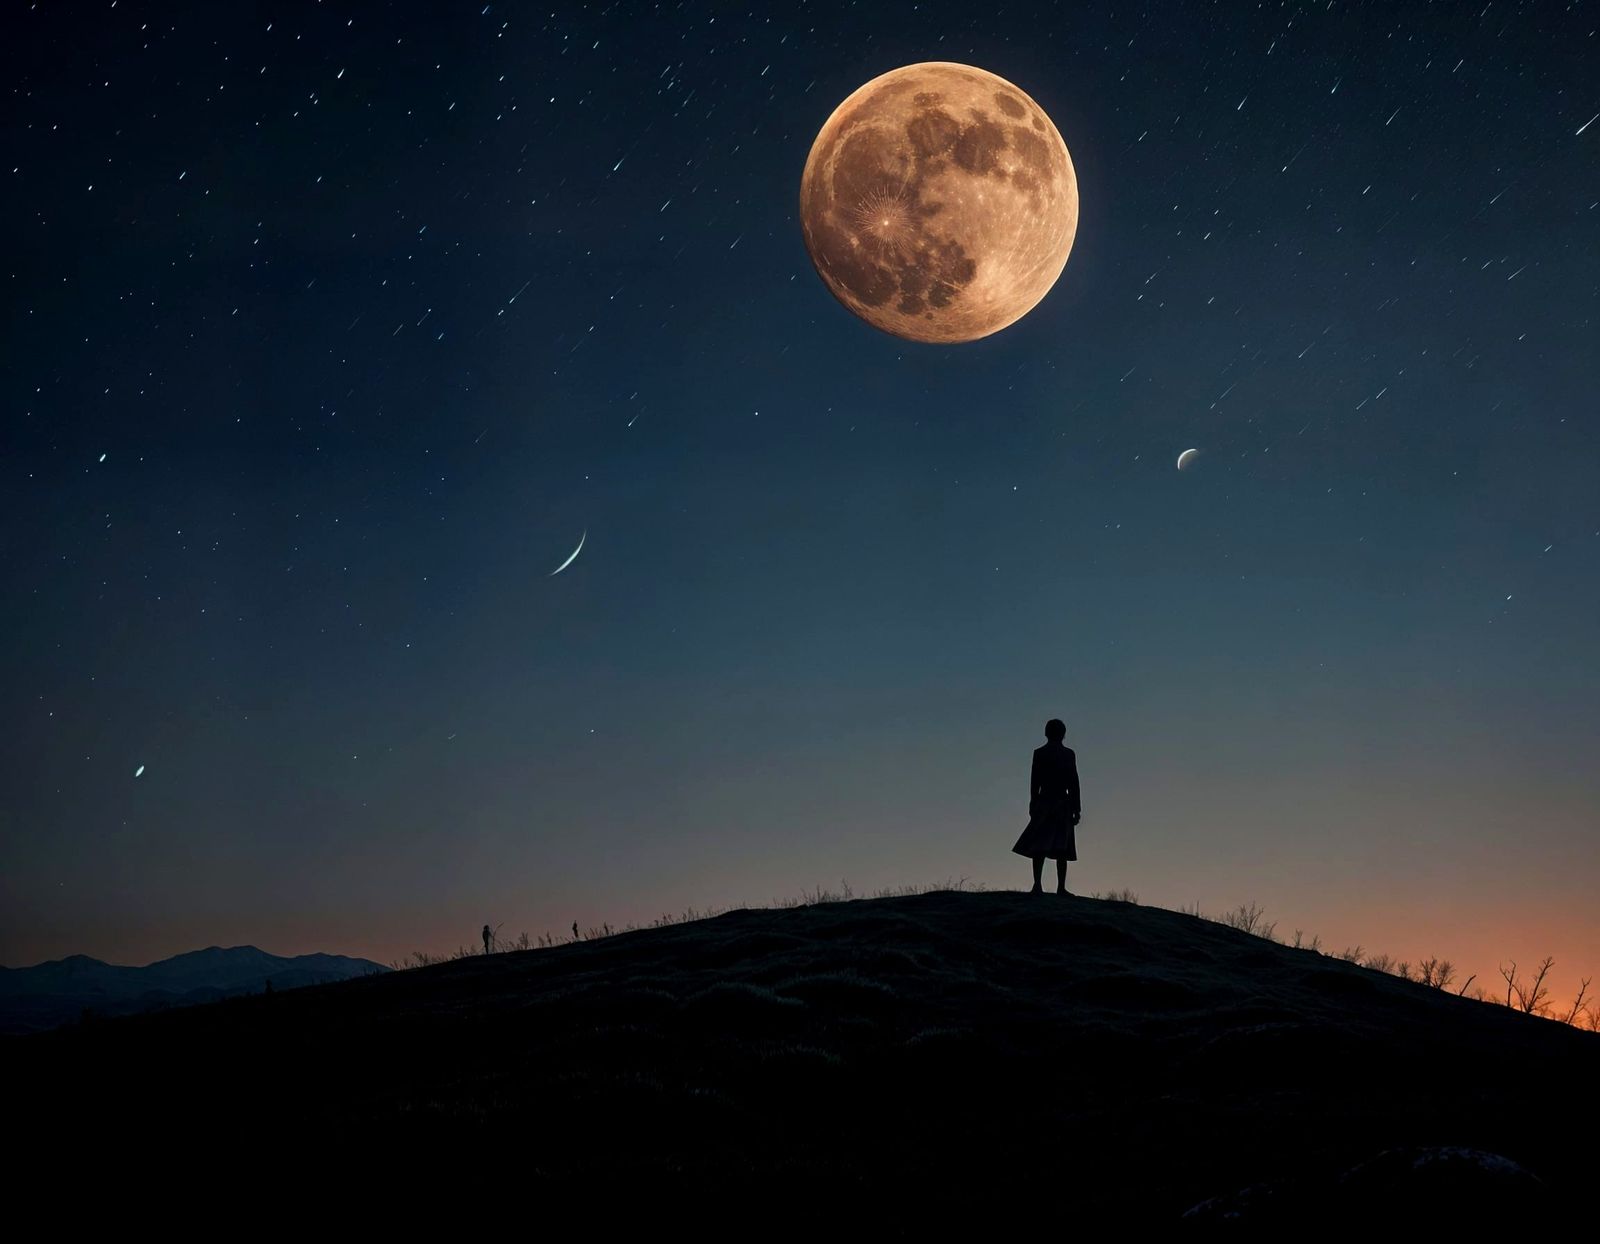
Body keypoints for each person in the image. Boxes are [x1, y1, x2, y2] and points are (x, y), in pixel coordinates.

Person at [1012, 718, 1082, 894]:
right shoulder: (1065, 754)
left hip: (1048, 802)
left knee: (1045, 846)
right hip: (1057, 803)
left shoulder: (1043, 753)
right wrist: (1076, 807)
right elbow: (1073, 783)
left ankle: (1041, 885)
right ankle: (1056, 886)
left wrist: (1034, 801)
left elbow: (1036, 781)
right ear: (1063, 734)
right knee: (1059, 847)